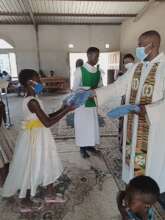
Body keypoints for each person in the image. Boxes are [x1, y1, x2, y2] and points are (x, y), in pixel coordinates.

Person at [95, 30, 165, 193]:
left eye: (140, 44)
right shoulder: (136, 67)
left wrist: (146, 110)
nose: (137, 48)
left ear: (152, 45)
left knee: (151, 165)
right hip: (133, 126)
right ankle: (133, 187)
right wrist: (95, 93)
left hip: (153, 128)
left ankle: (151, 194)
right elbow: (119, 86)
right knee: (132, 156)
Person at [2, 69, 74, 212]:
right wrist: (67, 110)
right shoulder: (32, 101)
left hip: (40, 135)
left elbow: (47, 116)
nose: (41, 83)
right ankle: (25, 201)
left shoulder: (35, 99)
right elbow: (47, 122)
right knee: (30, 166)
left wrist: (65, 107)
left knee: (48, 161)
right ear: (30, 83)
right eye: (38, 80)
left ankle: (50, 194)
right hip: (35, 138)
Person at [72, 47, 104, 158]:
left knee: (92, 125)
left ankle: (90, 145)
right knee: (82, 126)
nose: (97, 58)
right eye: (96, 56)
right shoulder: (80, 70)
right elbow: (74, 89)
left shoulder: (98, 71)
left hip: (93, 102)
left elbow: (101, 87)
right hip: (81, 104)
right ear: (89, 56)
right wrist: (87, 91)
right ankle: (82, 148)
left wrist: (96, 92)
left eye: (98, 56)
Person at [118, 54, 135, 151]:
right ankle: (121, 144)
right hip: (124, 101)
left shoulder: (139, 73)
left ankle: (130, 145)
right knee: (123, 122)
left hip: (133, 102)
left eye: (130, 61)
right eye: (125, 62)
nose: (128, 64)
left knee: (131, 123)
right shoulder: (121, 74)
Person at [0, 101, 14, 186]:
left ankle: (4, 180)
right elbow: (4, 120)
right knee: (4, 159)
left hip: (1, 135)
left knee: (5, 158)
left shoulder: (1, 104)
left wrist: (1, 111)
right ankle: (3, 181)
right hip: (2, 134)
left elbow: (3, 120)